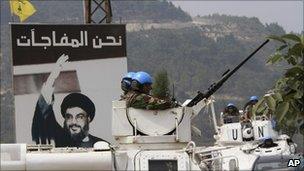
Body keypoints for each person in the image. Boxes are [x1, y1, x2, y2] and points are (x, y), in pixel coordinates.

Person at [32, 54, 108, 147]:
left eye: (79, 117)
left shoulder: (102, 145)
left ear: (88, 119)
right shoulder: (60, 140)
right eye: (69, 117)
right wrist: (52, 77)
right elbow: (44, 111)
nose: (73, 122)